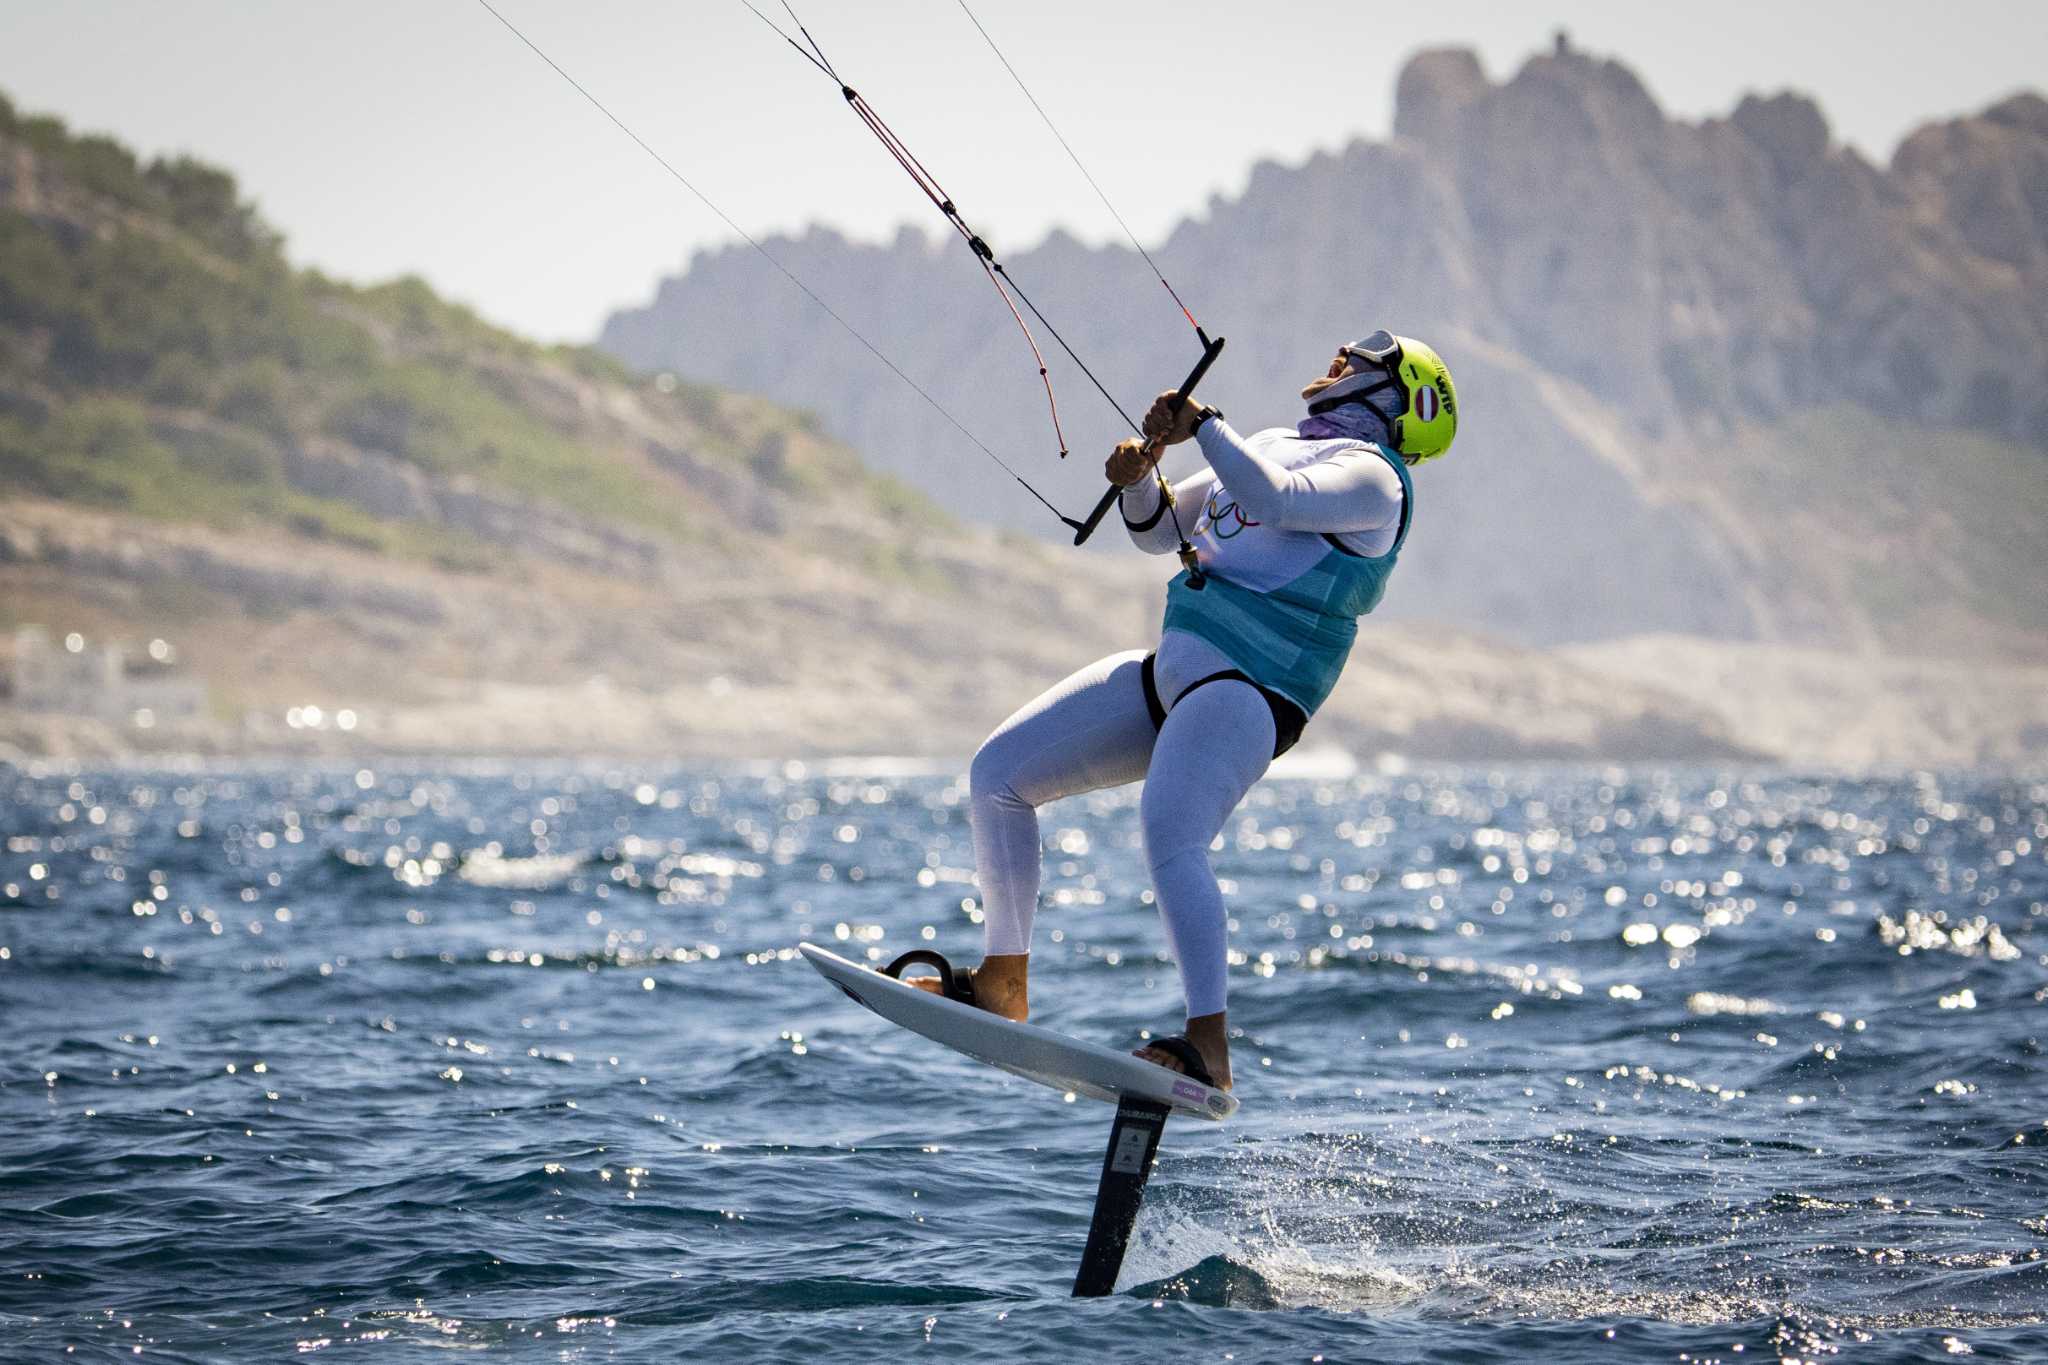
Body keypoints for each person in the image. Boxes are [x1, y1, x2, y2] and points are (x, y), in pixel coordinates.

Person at [910, 330, 1458, 1091]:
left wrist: (1201, 424)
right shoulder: (1271, 443)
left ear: (1392, 396)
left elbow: (1274, 499)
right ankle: (1003, 980)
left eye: (1356, 360)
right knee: (997, 775)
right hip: (1173, 671)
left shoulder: (1379, 483)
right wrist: (1140, 478)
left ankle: (1210, 1044)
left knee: (1171, 835)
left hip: (1248, 690)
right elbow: (1162, 529)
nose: (1335, 359)